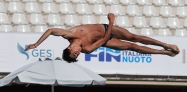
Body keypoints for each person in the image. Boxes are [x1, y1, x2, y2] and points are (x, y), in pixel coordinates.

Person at [25, 13, 180, 63]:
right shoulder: (86, 49)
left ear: (69, 47)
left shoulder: (69, 34)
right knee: (131, 46)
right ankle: (164, 53)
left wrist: (36, 44)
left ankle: (166, 45)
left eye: (74, 53)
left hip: (104, 28)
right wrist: (111, 22)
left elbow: (51, 30)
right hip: (107, 35)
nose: (78, 53)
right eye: (76, 55)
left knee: (134, 37)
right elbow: (105, 40)